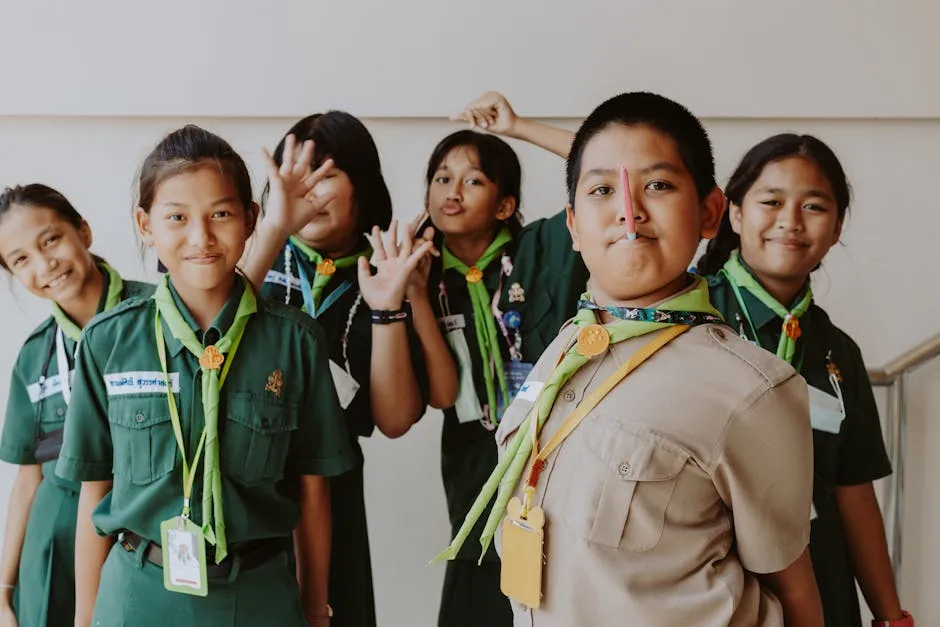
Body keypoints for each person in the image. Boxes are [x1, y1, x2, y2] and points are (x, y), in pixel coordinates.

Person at [441, 92, 824, 626]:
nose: (629, 209)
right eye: (602, 190)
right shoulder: (566, 347)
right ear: (573, 226)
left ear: (710, 212)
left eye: (659, 186)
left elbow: (793, 586)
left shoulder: (750, 390)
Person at [56, 125, 355, 626]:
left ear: (251, 219)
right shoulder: (109, 341)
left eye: (220, 214)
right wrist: (85, 619)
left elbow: (312, 490)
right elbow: (95, 488)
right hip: (136, 594)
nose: (201, 238)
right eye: (177, 217)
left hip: (259, 595)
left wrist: (314, 609)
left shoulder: (294, 342)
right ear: (146, 224)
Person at [241, 111, 456, 627]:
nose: (308, 189)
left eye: (326, 174)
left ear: (362, 184)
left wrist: (388, 306)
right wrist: (273, 230)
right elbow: (213, 334)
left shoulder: (388, 264)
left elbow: (395, 420)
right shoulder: (253, 251)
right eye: (298, 175)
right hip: (244, 476)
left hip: (333, 488)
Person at [697, 134, 913, 627]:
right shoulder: (689, 317)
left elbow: (853, 493)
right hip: (712, 582)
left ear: (836, 229)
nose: (790, 222)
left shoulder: (837, 350)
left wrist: (890, 616)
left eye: (813, 207)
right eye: (770, 201)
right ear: (733, 214)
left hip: (820, 583)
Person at [424, 109, 588, 625]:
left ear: (505, 205)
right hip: (474, 453)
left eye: (474, 181)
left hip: (553, 445)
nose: (453, 191)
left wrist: (516, 126)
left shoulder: (540, 248)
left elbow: (600, 166)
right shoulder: (420, 272)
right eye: (442, 178)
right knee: (476, 580)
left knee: (555, 579)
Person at [0, 183, 153, 627]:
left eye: (50, 240)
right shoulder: (35, 355)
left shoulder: (159, 315)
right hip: (53, 550)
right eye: (20, 259)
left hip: (139, 541)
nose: (44, 264)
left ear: (82, 231)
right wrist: (4, 590)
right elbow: (28, 478)